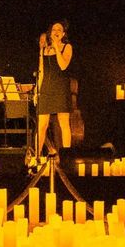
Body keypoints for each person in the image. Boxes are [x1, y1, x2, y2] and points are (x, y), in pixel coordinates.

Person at [33, 22, 74, 164]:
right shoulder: (44, 49)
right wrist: (37, 91)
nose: (56, 31)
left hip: (61, 88)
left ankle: (66, 157)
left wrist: (57, 46)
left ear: (63, 34)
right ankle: (36, 157)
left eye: (59, 30)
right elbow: (41, 71)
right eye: (54, 29)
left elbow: (63, 66)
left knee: (64, 123)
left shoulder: (67, 47)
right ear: (50, 33)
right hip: (46, 89)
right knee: (42, 125)